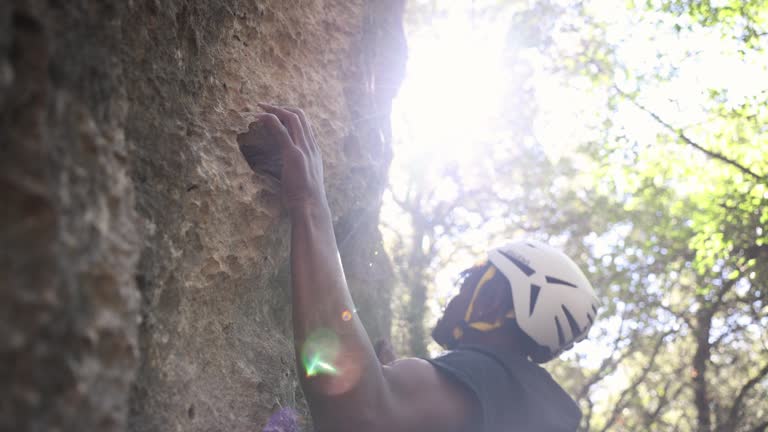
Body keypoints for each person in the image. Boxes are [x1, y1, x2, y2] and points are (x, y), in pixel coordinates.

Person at [239, 103, 600, 432]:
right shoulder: (546, 408)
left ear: (492, 299)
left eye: (471, 277)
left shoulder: (492, 376)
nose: (458, 290)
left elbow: (362, 414)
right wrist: (396, 377)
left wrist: (310, 203)